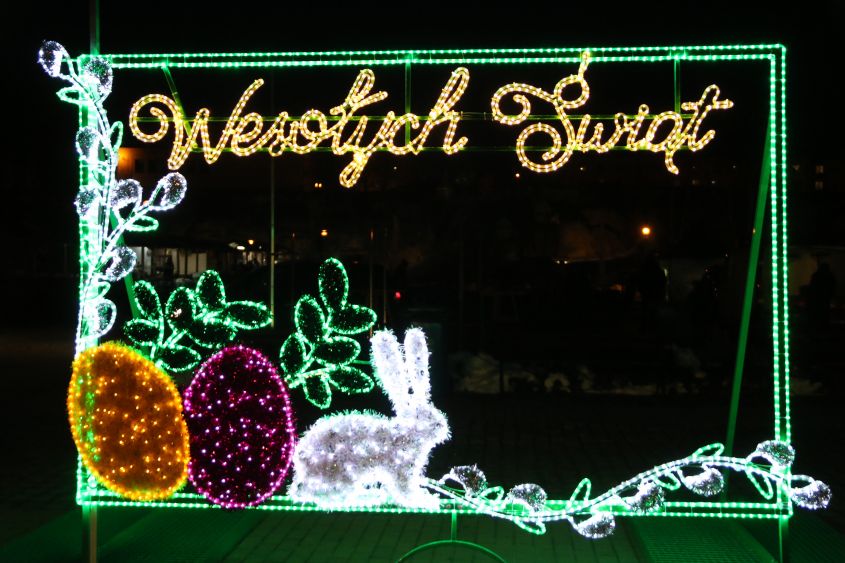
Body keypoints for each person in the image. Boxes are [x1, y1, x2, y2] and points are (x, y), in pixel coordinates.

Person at [808, 262, 835, 330]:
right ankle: (824, 327)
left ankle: (819, 327)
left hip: (818, 298)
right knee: (825, 313)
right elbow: (833, 287)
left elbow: (812, 286)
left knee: (819, 313)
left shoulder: (816, 275)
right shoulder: (829, 276)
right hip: (824, 298)